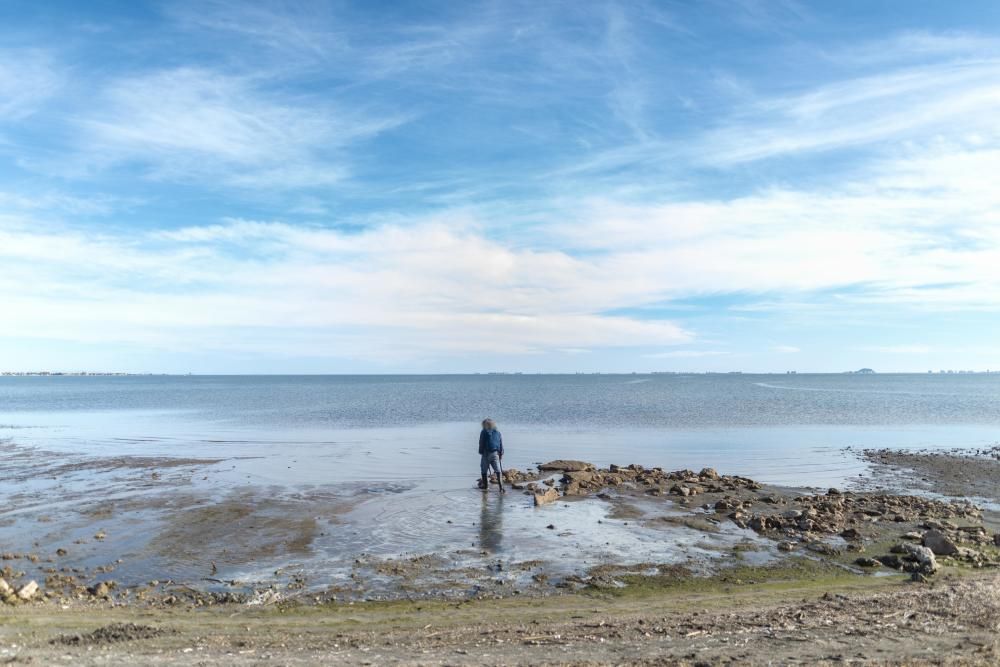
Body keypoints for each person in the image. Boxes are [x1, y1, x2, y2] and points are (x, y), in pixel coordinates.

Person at [478, 418, 505, 494]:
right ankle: (501, 488)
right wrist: (501, 453)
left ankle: (485, 486)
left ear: (485, 425)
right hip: (495, 453)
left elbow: (481, 442)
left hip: (486, 453)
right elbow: (500, 443)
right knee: (498, 470)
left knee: (483, 469)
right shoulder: (498, 432)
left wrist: (480, 452)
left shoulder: (483, 432)